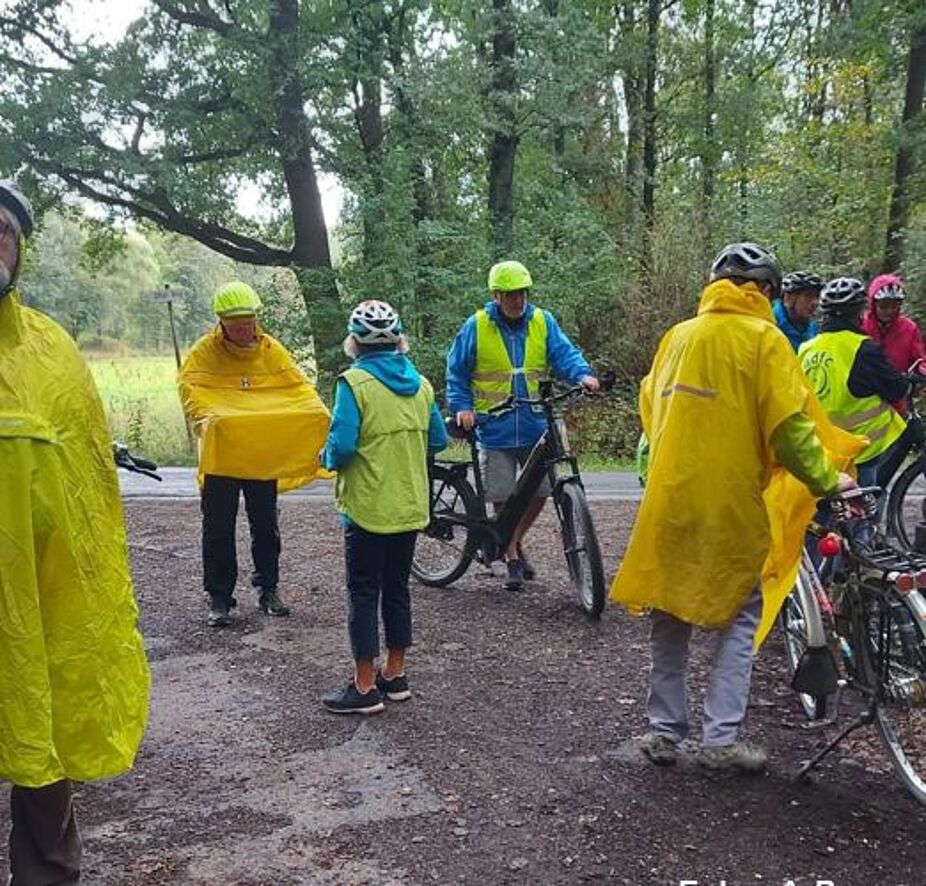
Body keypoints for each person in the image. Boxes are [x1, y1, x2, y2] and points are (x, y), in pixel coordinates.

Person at [609, 242, 856, 773]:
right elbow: (790, 428)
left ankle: (663, 731)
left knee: (671, 612)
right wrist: (823, 478)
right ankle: (721, 739)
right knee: (741, 616)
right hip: (731, 503)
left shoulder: (677, 337)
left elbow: (651, 413)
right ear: (765, 290)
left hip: (669, 499)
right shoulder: (764, 340)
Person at [0, 179, 150, 883]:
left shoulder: (52, 351)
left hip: (43, 606)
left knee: (43, 764)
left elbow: (90, 488)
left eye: (3, 232)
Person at [178, 281, 330, 627]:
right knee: (217, 526)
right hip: (223, 457)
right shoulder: (204, 353)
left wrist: (317, 414)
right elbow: (192, 392)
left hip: (262, 456)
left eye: (248, 321)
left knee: (265, 523)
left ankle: (268, 590)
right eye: (235, 323)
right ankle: (219, 598)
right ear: (221, 322)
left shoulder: (271, 350)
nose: (244, 329)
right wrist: (211, 417)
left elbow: (298, 389)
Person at [320, 300, 448, 714]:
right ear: (399, 340)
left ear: (354, 343)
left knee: (362, 592)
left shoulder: (353, 384)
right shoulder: (422, 384)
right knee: (397, 589)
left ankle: (363, 686)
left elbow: (341, 446)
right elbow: (439, 440)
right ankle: (395, 675)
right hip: (410, 506)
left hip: (368, 508)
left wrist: (325, 458)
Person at [445, 260, 599, 591]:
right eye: (512, 294)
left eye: (523, 293)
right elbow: (456, 371)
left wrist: (582, 375)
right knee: (501, 494)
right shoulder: (477, 325)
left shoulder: (542, 321)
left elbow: (564, 355)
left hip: (535, 423)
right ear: (497, 295)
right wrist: (462, 408)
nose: (519, 300)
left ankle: (511, 540)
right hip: (495, 425)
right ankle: (511, 555)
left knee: (540, 491)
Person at [799, 277, 909, 488]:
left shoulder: (807, 348)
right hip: (860, 449)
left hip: (820, 447)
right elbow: (896, 389)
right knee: (863, 511)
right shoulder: (864, 348)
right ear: (860, 312)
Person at [860, 273, 926, 376]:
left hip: (899, 387)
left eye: (894, 306)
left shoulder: (909, 328)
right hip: (867, 388)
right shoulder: (861, 326)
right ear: (873, 304)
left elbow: (919, 360)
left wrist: (921, 370)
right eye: (884, 306)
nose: (889, 311)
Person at [772, 270, 824, 351]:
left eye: (817, 296)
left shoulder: (814, 328)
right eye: (808, 295)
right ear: (788, 297)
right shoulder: (771, 324)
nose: (815, 302)